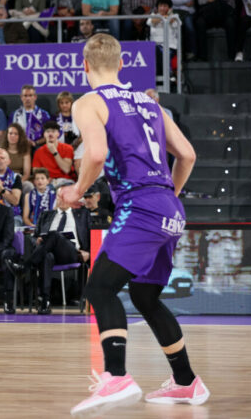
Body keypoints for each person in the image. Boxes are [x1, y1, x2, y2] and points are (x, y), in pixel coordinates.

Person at [62, 34, 208, 416]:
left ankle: (116, 376)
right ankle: (186, 381)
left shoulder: (89, 102)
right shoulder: (149, 102)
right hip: (169, 208)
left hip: (141, 205)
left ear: (85, 65)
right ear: (122, 64)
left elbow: (96, 154)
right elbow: (188, 155)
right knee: (145, 296)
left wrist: (77, 190)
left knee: (99, 287)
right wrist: (167, 199)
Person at [28, 183, 91, 314]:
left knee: (54, 235)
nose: (61, 199)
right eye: (59, 196)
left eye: (64, 196)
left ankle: (27, 265)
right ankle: (45, 301)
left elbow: (91, 235)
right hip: (48, 251)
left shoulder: (82, 214)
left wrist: (89, 252)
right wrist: (37, 241)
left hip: (72, 253)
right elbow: (33, 237)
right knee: (47, 256)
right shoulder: (46, 215)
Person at [9, 85, 51, 149]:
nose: (28, 98)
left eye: (30, 95)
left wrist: (35, 143)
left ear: (35, 97)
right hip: (19, 147)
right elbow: (10, 134)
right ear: (21, 97)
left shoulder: (44, 114)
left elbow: (49, 134)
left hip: (38, 147)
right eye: (25, 96)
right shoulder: (15, 115)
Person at [147, 0, 181, 74]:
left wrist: (169, 16)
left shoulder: (175, 16)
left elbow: (176, 24)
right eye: (160, 6)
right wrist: (162, 17)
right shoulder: (153, 15)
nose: (162, 8)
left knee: (165, 54)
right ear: (157, 7)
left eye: (165, 6)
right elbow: (152, 22)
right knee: (156, 52)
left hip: (170, 46)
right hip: (156, 45)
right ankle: (164, 74)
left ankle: (167, 74)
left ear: (169, 8)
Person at [0, 152, 23, 226]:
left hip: (12, 215)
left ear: (9, 161)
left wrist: (1, 189)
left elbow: (15, 201)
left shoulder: (16, 177)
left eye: (2, 158)